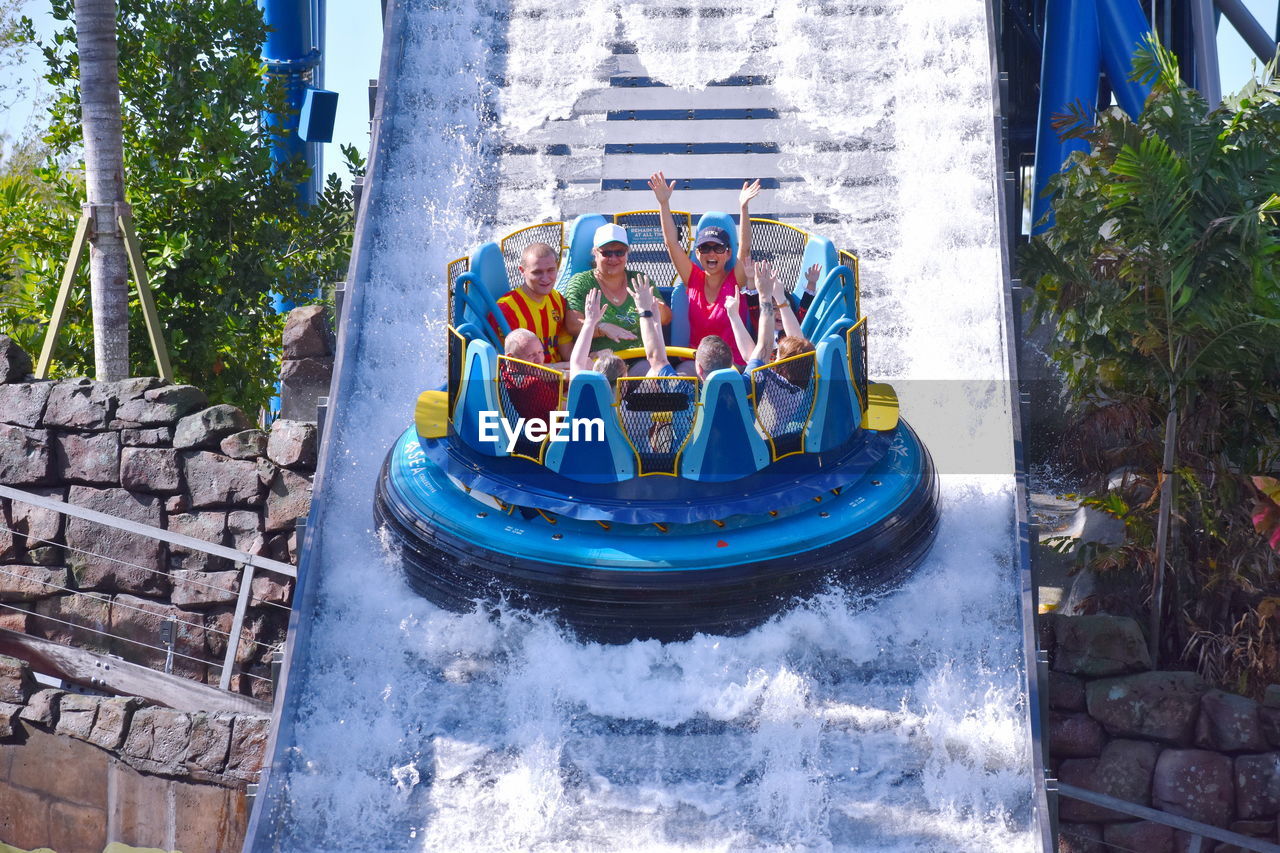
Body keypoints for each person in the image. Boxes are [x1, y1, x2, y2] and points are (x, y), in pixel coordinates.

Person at [648, 172, 759, 366]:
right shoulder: (693, 277)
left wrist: (743, 208)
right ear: (697, 254)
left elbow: (746, 248)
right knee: (678, 382)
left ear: (728, 253)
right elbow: (671, 243)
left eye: (718, 248)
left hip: (732, 364)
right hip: (696, 363)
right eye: (704, 248)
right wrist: (664, 204)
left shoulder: (736, 280)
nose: (711, 254)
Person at [562, 223, 671, 355]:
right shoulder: (581, 283)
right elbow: (572, 324)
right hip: (601, 360)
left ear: (627, 254)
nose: (613, 258)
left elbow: (666, 318)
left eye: (619, 252)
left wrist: (655, 308)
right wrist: (601, 328)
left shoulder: (639, 280)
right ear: (595, 253)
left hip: (642, 357)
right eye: (607, 253)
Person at [492, 242, 579, 365]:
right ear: (522, 271)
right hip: (529, 380)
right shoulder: (506, 310)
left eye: (551, 270)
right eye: (537, 272)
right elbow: (515, 368)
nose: (545, 278)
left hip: (560, 375)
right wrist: (562, 369)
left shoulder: (557, 299)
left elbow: (566, 350)